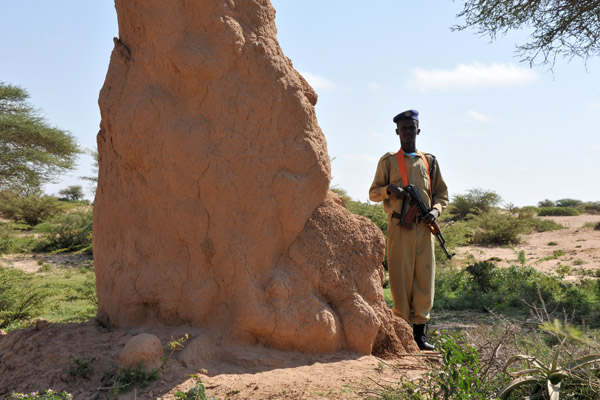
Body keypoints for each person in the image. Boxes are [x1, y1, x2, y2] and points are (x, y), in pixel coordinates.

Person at [369, 109, 448, 351]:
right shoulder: (388, 161)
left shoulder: (429, 161)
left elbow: (442, 195)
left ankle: (420, 336)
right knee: (401, 280)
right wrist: (389, 190)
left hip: (423, 228)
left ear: (418, 130)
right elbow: (373, 193)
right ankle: (402, 333)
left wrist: (435, 211)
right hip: (399, 227)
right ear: (397, 132)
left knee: (424, 280)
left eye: (411, 128)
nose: (407, 132)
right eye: (403, 128)